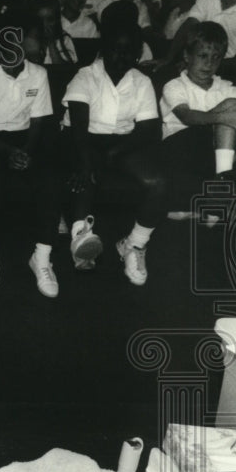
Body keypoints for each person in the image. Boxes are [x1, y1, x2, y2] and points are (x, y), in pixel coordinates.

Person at [0, 10, 59, 297]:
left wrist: (25, 151)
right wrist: (7, 152)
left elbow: (38, 120)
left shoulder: (38, 74)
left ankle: (42, 257)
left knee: (50, 178)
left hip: (26, 139)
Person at [63, 19, 164, 286]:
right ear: (103, 50)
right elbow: (78, 129)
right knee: (86, 177)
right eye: (116, 50)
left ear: (137, 54)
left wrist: (114, 153)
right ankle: (81, 239)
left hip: (123, 143)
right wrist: (87, 164)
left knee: (158, 183)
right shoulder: (85, 76)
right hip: (83, 139)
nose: (122, 57)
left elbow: (149, 129)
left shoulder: (141, 81)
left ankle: (134, 245)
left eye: (129, 51)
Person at [160, 22, 236, 218]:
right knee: (231, 105)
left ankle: (222, 182)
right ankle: (223, 182)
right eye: (202, 56)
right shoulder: (175, 85)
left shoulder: (226, 86)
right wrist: (226, 117)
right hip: (178, 148)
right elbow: (187, 117)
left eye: (216, 58)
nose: (209, 64)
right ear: (187, 56)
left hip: (210, 152)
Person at [31, 0, 77, 65]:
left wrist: (51, 44)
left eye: (50, 20)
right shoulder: (27, 40)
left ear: (57, 20)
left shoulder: (65, 40)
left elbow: (65, 71)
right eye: (39, 20)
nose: (45, 25)